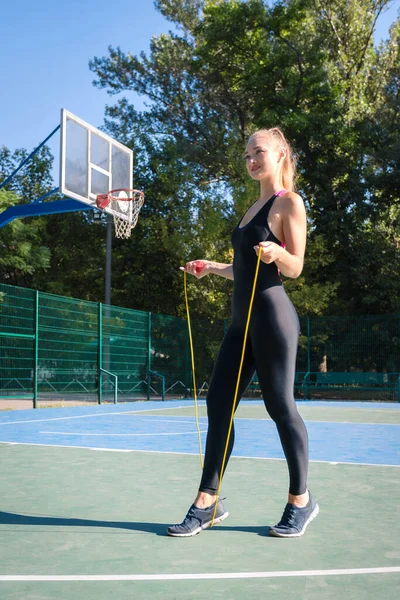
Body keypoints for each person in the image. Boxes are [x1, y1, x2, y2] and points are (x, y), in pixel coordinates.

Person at [167, 127, 319, 538]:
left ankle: (300, 501)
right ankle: (206, 502)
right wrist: (212, 267)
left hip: (273, 320)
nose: (251, 159)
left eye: (259, 152)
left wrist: (279, 252)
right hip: (241, 324)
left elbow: (295, 266)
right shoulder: (252, 207)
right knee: (218, 402)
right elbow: (245, 268)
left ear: (281, 155)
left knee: (280, 407)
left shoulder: (289, 203)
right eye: (246, 153)